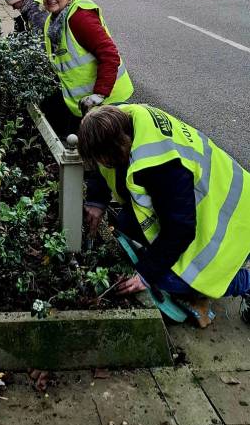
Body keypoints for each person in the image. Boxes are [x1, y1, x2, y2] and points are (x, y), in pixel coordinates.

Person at [78, 104, 250, 326]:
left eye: (103, 159)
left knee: (168, 280)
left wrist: (146, 274)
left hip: (233, 221)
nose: (102, 165)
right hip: (200, 204)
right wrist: (96, 200)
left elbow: (180, 229)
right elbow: (101, 168)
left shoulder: (161, 166)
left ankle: (243, 282)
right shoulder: (119, 117)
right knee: (126, 223)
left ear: (118, 147)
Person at [38, 0, 133, 137]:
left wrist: (100, 94)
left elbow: (109, 55)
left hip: (108, 101)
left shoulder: (79, 17)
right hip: (84, 104)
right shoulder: (53, 21)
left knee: (105, 149)